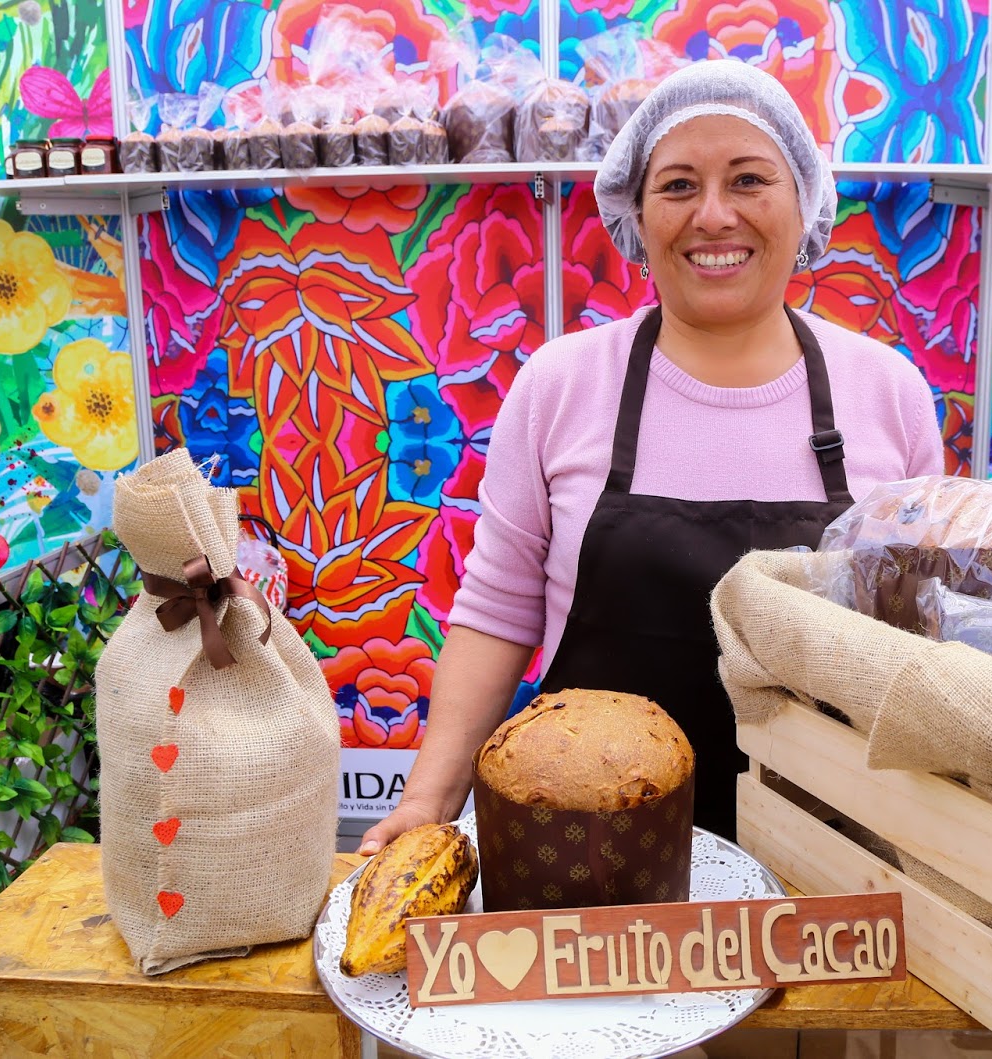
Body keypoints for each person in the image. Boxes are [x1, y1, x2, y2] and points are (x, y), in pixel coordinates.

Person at [360, 60, 942, 853]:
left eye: (747, 179)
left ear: (804, 202)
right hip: (578, 856)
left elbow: (914, 641)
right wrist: (427, 800)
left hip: (826, 856)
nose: (713, 215)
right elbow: (497, 613)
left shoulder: (889, 392)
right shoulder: (561, 384)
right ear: (634, 214)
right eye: (677, 186)